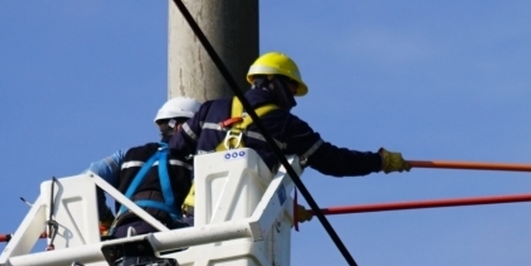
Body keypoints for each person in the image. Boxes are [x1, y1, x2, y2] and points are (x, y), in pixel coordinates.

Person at [169, 52, 411, 183]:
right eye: (293, 87)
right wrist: (379, 161)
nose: (294, 96)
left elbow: (175, 148)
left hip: (195, 214)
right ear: (275, 83)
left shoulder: (210, 109)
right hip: (245, 220)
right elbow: (334, 161)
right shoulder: (286, 125)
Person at [88, 97, 200, 237]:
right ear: (180, 127)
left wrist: (106, 219)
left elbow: (90, 177)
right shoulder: (194, 161)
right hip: (165, 234)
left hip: (121, 233)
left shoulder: (126, 155)